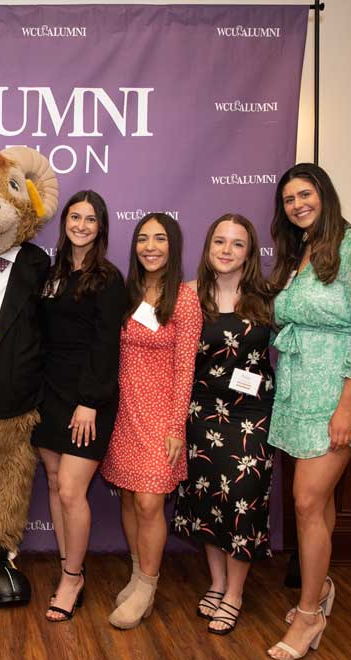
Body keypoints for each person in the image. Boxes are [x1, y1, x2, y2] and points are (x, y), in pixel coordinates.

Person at [265, 164, 351, 660]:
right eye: (290, 199)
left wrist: (347, 407)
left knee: (305, 503)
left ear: (325, 194)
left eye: (305, 194)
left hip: (336, 395)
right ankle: (320, 590)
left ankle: (310, 615)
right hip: (297, 391)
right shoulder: (303, 251)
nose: (298, 204)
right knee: (320, 506)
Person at [171, 214, 276, 636]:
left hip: (252, 417)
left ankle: (235, 593)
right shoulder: (187, 296)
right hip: (200, 414)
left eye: (237, 244)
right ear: (208, 246)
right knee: (208, 499)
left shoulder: (268, 298)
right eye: (219, 242)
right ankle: (217, 583)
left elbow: (304, 338)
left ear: (249, 252)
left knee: (242, 502)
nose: (227, 250)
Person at [102, 212, 202, 630]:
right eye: (143, 239)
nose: (150, 247)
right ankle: (136, 570)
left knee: (148, 501)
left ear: (173, 245)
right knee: (127, 496)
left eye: (159, 239)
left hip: (162, 412)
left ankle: (148, 586)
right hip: (123, 410)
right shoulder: (125, 293)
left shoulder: (185, 298)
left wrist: (177, 424)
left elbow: (186, 368)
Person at [32, 190, 126, 622]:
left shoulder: (108, 279)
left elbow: (107, 346)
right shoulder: (51, 275)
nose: (82, 225)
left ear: (101, 227)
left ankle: (71, 578)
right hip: (49, 393)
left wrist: (90, 401)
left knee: (71, 489)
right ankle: (71, 565)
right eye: (75, 217)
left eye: (91, 219)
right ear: (64, 222)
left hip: (88, 398)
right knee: (54, 482)